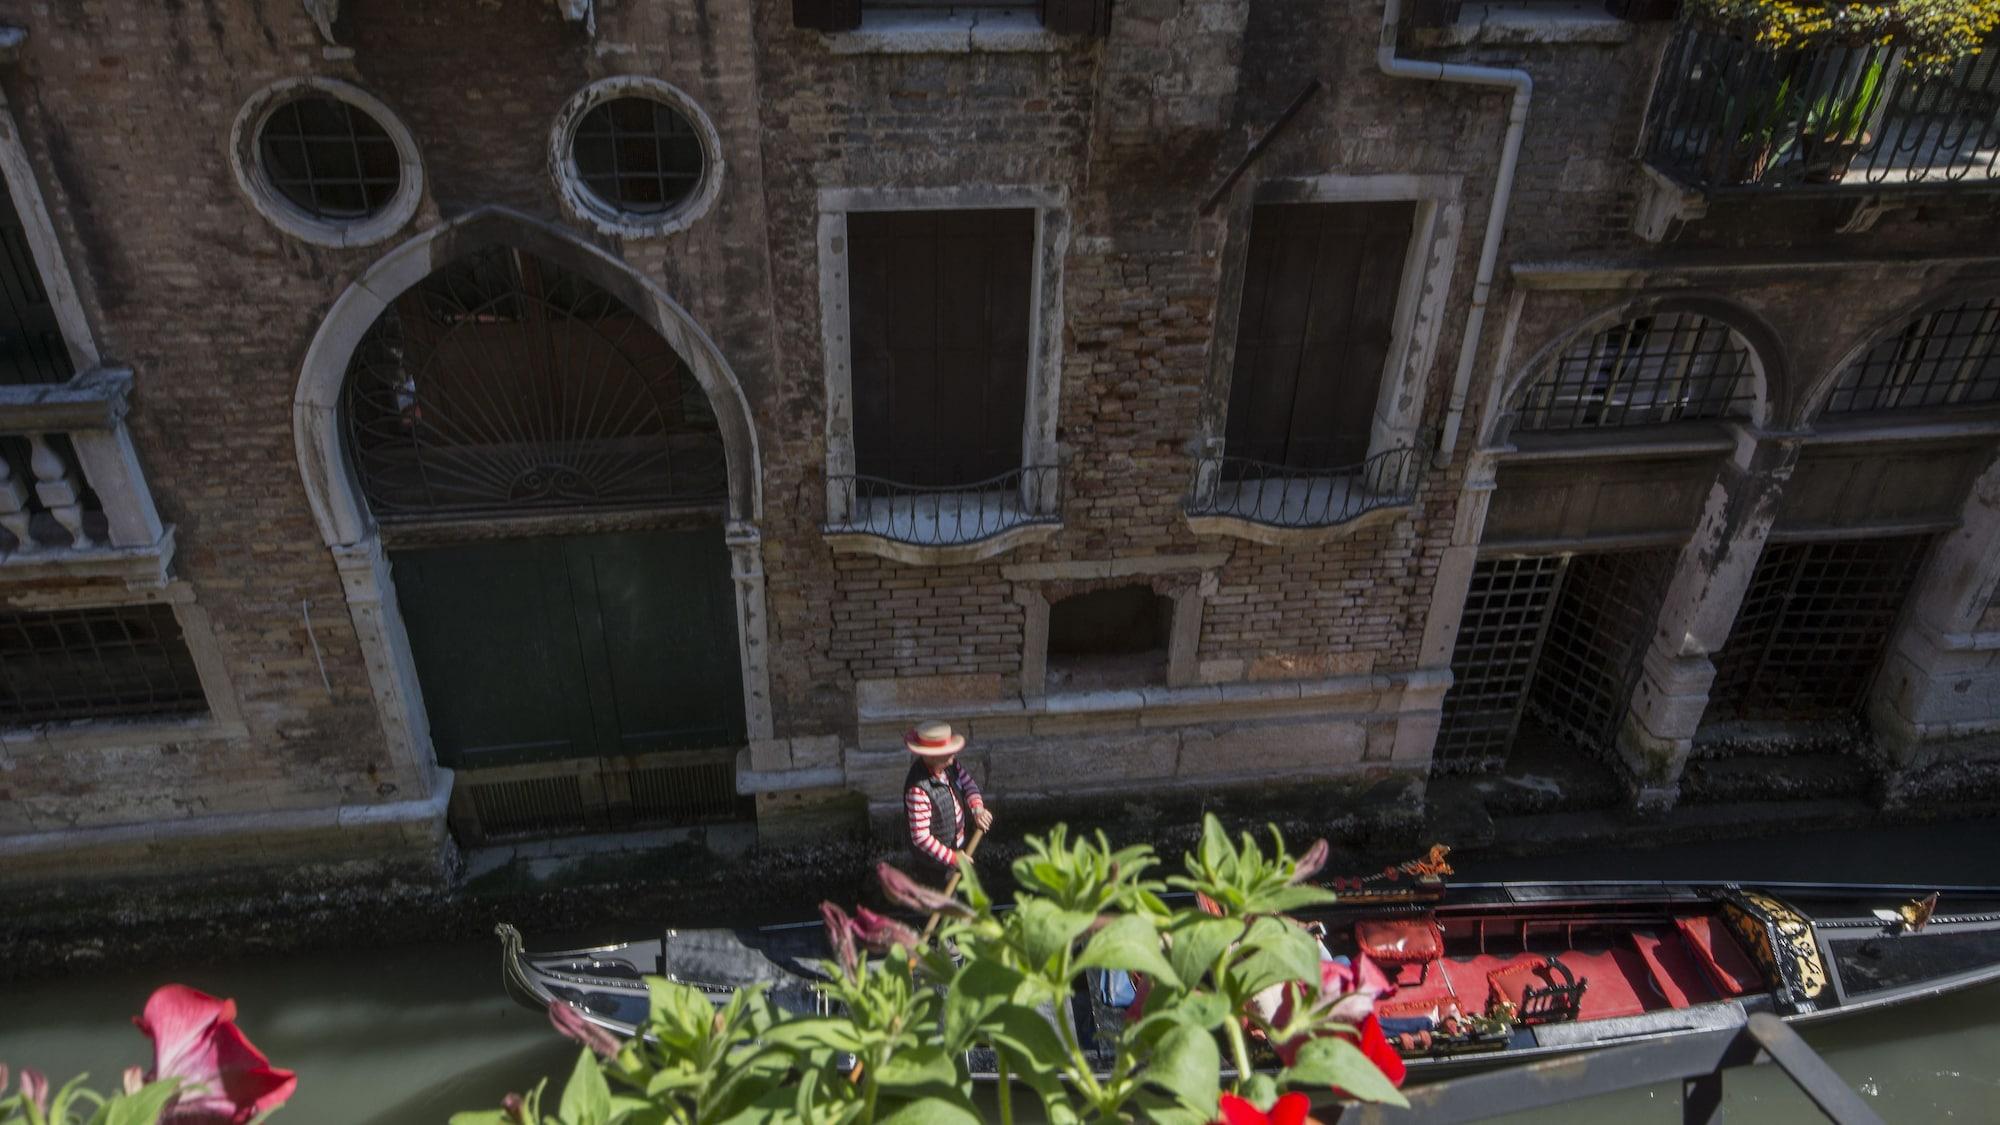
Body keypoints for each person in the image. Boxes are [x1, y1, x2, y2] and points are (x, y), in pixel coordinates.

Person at [902, 720, 993, 883]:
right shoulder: (918, 790)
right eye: (947, 755)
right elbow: (921, 837)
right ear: (931, 756)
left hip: (958, 848)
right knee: (942, 899)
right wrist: (953, 858)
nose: (952, 759)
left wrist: (977, 808)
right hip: (935, 865)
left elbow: (968, 784)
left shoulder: (950, 767)